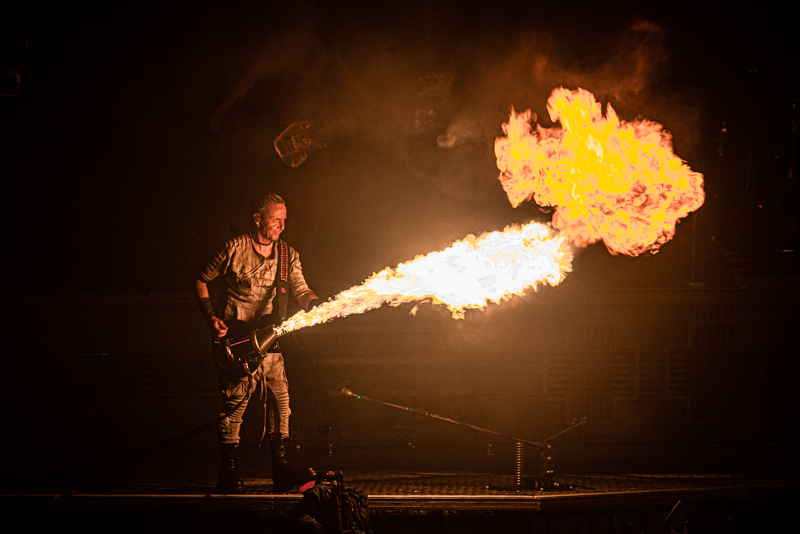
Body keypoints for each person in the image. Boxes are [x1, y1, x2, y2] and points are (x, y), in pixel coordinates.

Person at [195, 192, 321, 494]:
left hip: (269, 338)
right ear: (257, 218)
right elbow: (201, 280)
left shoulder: (287, 255)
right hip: (236, 340)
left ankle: (281, 470)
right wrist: (212, 319)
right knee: (235, 404)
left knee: (281, 402)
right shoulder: (234, 249)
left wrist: (314, 303)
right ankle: (229, 473)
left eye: (284, 220)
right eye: (275, 219)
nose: (280, 226)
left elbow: (301, 289)